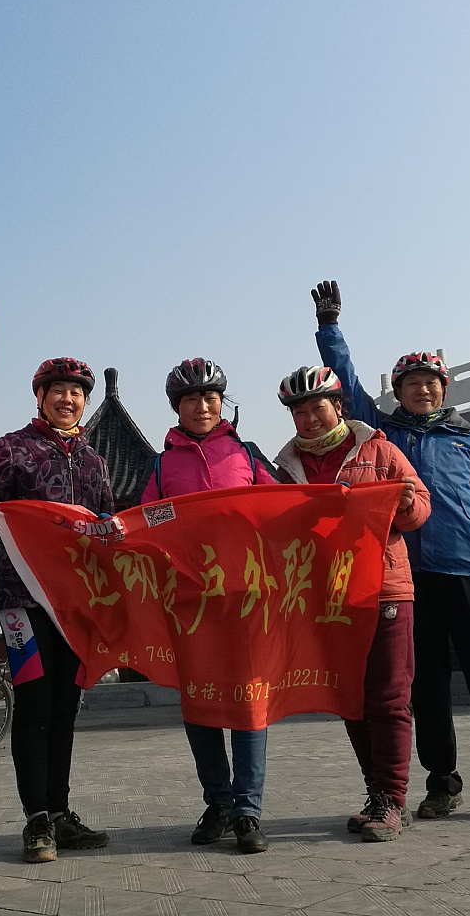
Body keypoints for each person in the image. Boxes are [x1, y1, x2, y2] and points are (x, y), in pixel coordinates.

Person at [309, 281, 470, 823]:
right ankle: (442, 783)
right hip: (409, 580)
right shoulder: (381, 433)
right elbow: (347, 385)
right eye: (412, 384)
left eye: (431, 383)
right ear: (399, 391)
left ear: (443, 388)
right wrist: (330, 328)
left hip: (469, 573)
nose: (423, 391)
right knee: (426, 688)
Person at [0, 358, 114, 864]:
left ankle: (61, 812)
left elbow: (107, 523)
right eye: (58, 390)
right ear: (41, 396)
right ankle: (37, 820)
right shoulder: (12, 449)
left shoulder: (94, 461)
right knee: (34, 705)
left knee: (65, 708)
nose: (68, 399)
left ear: (85, 402)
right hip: (22, 600)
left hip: (75, 602)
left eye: (76, 392)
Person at [270, 365, 430, 842]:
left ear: (337, 407)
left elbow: (420, 508)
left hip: (383, 586)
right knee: (352, 699)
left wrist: (404, 502)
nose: (309, 419)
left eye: (316, 408)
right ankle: (377, 793)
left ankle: (392, 799)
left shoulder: (378, 450)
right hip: (328, 593)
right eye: (299, 412)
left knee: (389, 698)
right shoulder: (286, 468)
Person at [138, 358, 279, 854]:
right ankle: (217, 802)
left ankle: (247, 810)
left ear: (222, 401)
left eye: (210, 397)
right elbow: (146, 521)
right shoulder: (162, 466)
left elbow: (283, 507)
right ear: (177, 408)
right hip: (190, 603)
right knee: (199, 703)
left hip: (246, 597)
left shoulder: (247, 454)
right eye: (191, 399)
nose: (202, 406)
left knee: (249, 702)